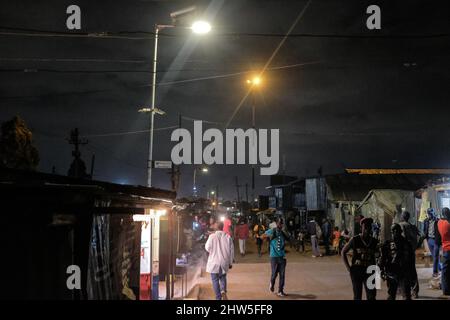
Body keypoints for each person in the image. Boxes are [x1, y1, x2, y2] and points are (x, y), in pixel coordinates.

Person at [342, 217, 379, 300]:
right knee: (357, 295)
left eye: (369, 227)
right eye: (365, 227)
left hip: (370, 270)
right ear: (361, 227)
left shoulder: (374, 241)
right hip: (357, 270)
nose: (367, 229)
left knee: (372, 295)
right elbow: (343, 252)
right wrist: (349, 268)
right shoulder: (355, 240)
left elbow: (377, 255)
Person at [379, 223, 414, 300]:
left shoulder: (407, 244)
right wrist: (381, 269)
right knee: (391, 295)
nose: (395, 232)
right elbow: (383, 258)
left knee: (406, 295)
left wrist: (413, 275)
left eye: (396, 230)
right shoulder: (387, 244)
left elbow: (411, 261)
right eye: (393, 230)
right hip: (392, 272)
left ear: (400, 231)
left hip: (404, 272)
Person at [205, 221, 234, 300]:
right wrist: (230, 263)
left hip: (214, 262)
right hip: (224, 262)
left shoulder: (212, 236)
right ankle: (223, 290)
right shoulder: (228, 237)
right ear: (222, 227)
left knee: (215, 280)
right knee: (223, 277)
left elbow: (207, 248)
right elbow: (231, 251)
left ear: (215, 227)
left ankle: (218, 297)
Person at [263, 217, 290, 297]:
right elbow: (262, 236)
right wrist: (269, 237)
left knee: (282, 275)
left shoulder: (283, 232)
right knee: (274, 274)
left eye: (282, 223)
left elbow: (288, 239)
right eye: (279, 223)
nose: (280, 225)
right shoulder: (272, 230)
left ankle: (280, 291)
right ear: (276, 223)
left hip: (281, 256)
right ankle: (272, 283)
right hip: (274, 257)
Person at [399, 211, 421, 298]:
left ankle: (403, 291)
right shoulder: (413, 226)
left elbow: (402, 237)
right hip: (411, 251)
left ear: (403, 216)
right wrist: (415, 246)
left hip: (403, 252)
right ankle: (415, 291)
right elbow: (420, 236)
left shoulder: (401, 225)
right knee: (412, 271)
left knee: (403, 271)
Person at [423, 208, 442, 277]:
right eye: (429, 214)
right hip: (429, 240)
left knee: (436, 256)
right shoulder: (426, 221)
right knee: (434, 256)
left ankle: (435, 272)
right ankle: (440, 268)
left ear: (434, 213)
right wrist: (426, 237)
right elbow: (424, 229)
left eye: (431, 213)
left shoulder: (438, 221)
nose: (430, 215)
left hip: (436, 240)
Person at [438, 207, 450, 296]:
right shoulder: (448, 223)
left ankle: (445, 290)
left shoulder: (439, 223)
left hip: (445, 249)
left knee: (445, 271)